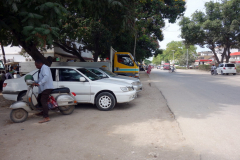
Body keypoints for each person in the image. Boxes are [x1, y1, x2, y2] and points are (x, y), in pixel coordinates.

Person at [33, 59, 54, 123]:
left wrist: (39, 83)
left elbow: (46, 77)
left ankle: (46, 117)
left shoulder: (45, 68)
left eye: (36, 65)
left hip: (47, 87)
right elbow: (40, 79)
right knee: (39, 99)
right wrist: (34, 82)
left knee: (43, 100)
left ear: (40, 64)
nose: (36, 67)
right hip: (43, 88)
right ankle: (43, 111)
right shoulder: (41, 69)